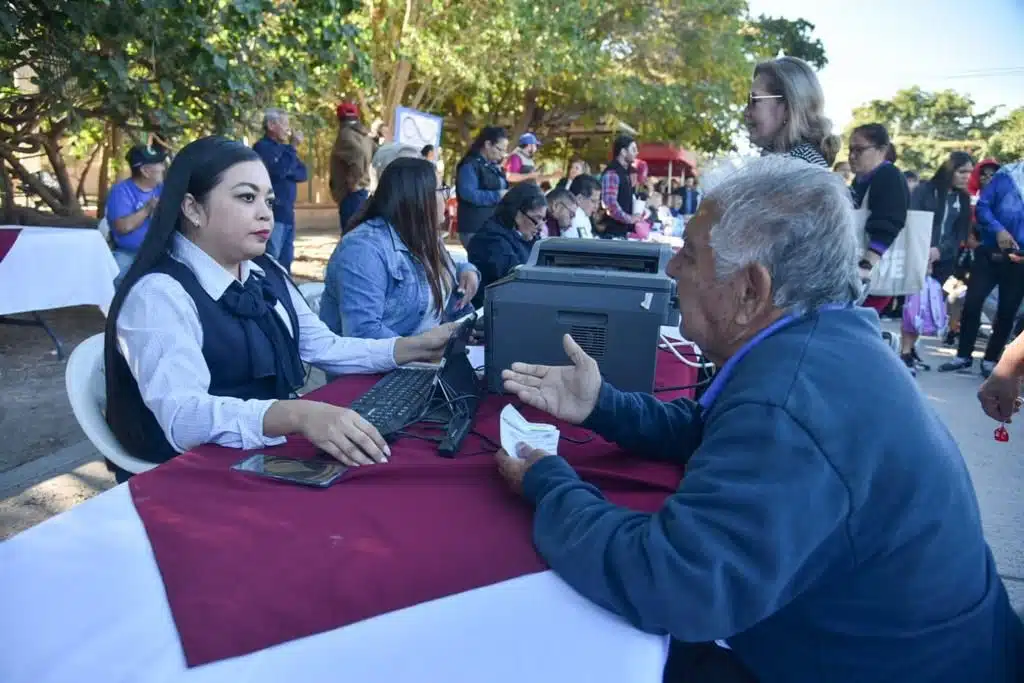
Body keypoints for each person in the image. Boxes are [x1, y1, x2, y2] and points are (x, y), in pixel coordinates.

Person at [494, 156, 1022, 683]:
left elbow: (674, 585)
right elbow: (714, 429)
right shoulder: (826, 340)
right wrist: (603, 404)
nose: (673, 269)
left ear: (751, 291)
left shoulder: (788, 401)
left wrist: (549, 483)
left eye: (692, 256)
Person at [103, 137, 455, 481]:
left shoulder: (263, 270)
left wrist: (417, 346)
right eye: (246, 197)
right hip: (191, 474)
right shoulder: (158, 295)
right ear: (192, 208)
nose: (265, 214)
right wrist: (297, 414)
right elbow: (184, 416)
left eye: (269, 201)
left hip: (259, 453)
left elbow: (324, 346)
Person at [321, 157, 479, 340]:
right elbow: (363, 333)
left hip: (423, 358)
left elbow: (443, 266)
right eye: (442, 189)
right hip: (384, 364)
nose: (447, 197)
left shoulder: (423, 234)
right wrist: (429, 347)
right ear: (417, 197)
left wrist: (466, 269)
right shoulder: (363, 249)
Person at [940, 161, 1024, 377]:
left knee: (1007, 311)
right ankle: (963, 356)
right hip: (989, 251)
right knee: (972, 302)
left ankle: (990, 360)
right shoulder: (1006, 176)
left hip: (1020, 258)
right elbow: (984, 206)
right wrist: (998, 230)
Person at [901, 151, 973, 371]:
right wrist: (924, 251)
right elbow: (913, 220)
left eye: (969, 173)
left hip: (944, 259)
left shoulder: (963, 199)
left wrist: (940, 251)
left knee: (927, 305)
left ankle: (910, 348)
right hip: (918, 254)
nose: (966, 177)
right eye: (962, 172)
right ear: (950, 169)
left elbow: (959, 233)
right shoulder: (926, 190)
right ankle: (905, 352)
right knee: (912, 304)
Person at [847, 124, 909, 314]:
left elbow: (890, 222)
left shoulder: (889, 175)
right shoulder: (861, 180)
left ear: (882, 150)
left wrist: (866, 265)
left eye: (859, 149)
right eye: (850, 149)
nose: (852, 155)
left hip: (872, 270)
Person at [744, 56, 839, 168]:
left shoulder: (800, 168)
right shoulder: (786, 162)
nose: (746, 112)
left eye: (754, 100)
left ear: (788, 107)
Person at [466, 182, 546, 307]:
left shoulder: (525, 235)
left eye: (543, 219)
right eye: (537, 218)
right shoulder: (491, 239)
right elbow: (517, 279)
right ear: (518, 215)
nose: (541, 226)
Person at [252, 108, 308, 272]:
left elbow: (302, 173)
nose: (288, 129)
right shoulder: (262, 147)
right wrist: (292, 151)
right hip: (273, 212)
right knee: (271, 258)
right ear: (271, 125)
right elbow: (277, 172)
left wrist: (286, 167)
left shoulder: (285, 150)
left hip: (288, 213)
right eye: (284, 124)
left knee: (286, 260)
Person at [106, 144, 167, 281]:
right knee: (117, 277)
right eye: (159, 164)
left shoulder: (164, 189)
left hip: (160, 254)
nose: (163, 168)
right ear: (145, 171)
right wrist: (147, 208)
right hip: (129, 255)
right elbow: (123, 227)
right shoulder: (121, 191)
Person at [455, 125, 509, 248]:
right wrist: (498, 195)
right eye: (500, 149)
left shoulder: (492, 166)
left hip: (490, 225)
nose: (502, 154)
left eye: (504, 151)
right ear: (488, 144)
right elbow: (468, 194)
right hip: (475, 226)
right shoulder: (470, 164)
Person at [330, 101, 374, 232]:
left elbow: (358, 156)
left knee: (350, 234)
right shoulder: (365, 136)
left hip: (351, 195)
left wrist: (353, 182)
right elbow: (374, 152)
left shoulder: (345, 134)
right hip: (362, 192)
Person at [599, 135, 640, 238]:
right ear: (623, 152)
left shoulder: (626, 173)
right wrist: (629, 219)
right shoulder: (612, 173)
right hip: (611, 233)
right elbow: (610, 204)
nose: (637, 152)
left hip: (622, 232)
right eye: (633, 149)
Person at [566, 174, 601, 239]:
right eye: (593, 201)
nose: (596, 206)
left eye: (598, 202)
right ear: (579, 199)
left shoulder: (583, 215)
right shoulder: (575, 217)